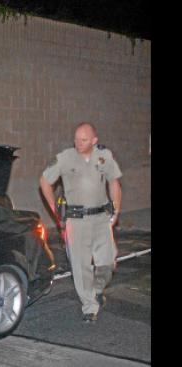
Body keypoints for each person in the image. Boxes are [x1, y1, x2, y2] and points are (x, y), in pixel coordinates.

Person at [39, 122, 122, 323]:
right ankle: (89, 307)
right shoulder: (65, 158)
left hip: (101, 219)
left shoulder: (104, 156)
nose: (78, 143)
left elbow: (114, 182)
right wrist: (56, 211)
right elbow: (44, 181)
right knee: (81, 266)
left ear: (94, 141)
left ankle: (97, 289)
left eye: (83, 139)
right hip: (76, 221)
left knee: (107, 263)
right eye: (76, 138)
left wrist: (115, 211)